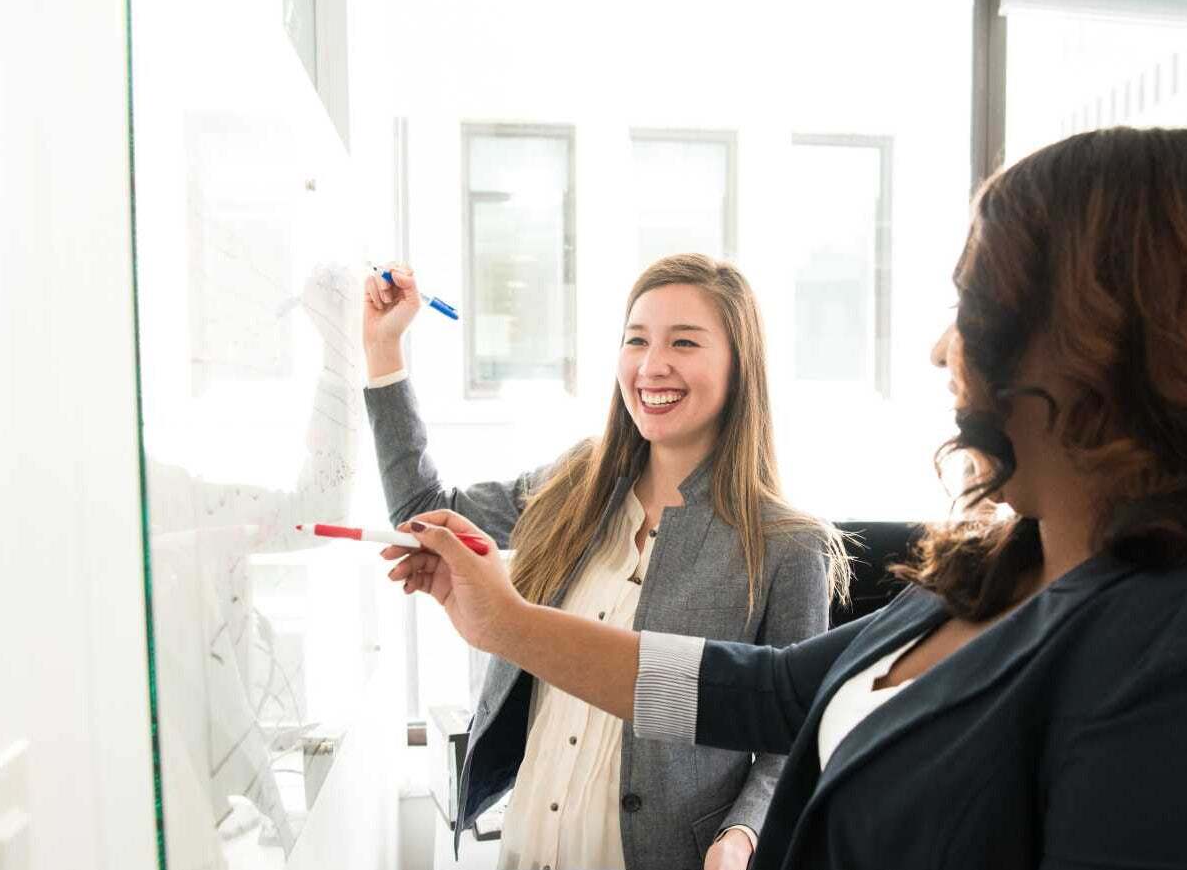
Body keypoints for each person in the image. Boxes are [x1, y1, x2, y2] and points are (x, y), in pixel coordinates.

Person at [384, 127, 1187, 869]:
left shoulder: (1184, 650)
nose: (939, 349)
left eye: (975, 307)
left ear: (1094, 342)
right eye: (637, 339)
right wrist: (508, 624)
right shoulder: (991, 568)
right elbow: (771, 692)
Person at [361, 254, 848, 870]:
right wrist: (384, 349)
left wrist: (743, 834)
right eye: (636, 340)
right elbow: (425, 511)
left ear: (739, 365)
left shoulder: (786, 543)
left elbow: (796, 738)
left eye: (684, 342)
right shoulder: (576, 484)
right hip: (526, 849)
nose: (651, 365)